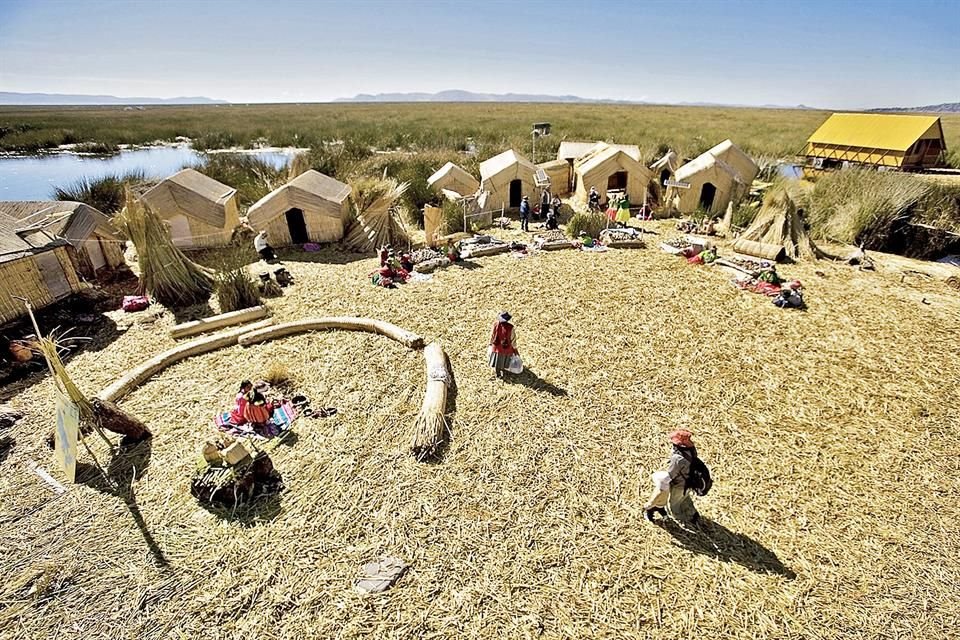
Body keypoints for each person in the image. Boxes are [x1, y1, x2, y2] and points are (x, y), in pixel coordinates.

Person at [644, 429, 701, 524]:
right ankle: (692, 513)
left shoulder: (677, 459)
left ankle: (682, 519)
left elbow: (671, 474)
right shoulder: (691, 450)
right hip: (690, 482)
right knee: (685, 498)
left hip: (680, 485)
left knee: (674, 504)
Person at [488, 311, 518, 379]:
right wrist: (515, 348)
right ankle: (503, 370)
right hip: (506, 349)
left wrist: (490, 343)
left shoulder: (495, 324)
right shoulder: (510, 328)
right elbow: (513, 339)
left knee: (497, 362)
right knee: (504, 360)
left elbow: (492, 335)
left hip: (496, 347)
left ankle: (498, 373)